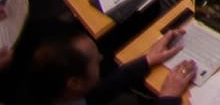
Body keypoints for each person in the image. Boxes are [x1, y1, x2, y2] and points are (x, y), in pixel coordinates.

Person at [28, 25, 196, 105]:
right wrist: (168, 96)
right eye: (95, 61)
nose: (101, 57)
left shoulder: (61, 94)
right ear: (75, 83)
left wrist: (147, 60)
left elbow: (96, 93)